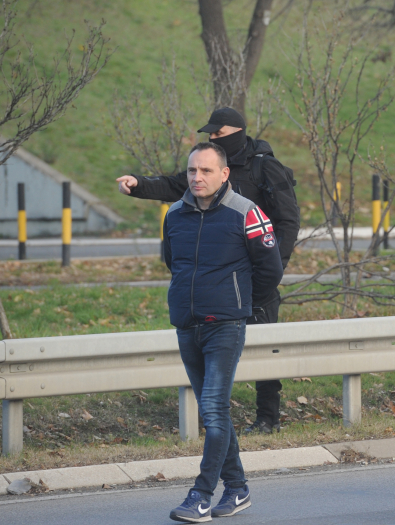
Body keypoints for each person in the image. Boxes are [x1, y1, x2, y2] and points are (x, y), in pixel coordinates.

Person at [117, 107, 299, 435]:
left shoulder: (265, 168)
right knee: (210, 351)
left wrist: (274, 269)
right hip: (216, 284)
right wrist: (138, 185)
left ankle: (267, 418)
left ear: (238, 133)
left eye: (219, 134)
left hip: (258, 279)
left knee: (265, 352)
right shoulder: (206, 170)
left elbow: (288, 219)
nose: (213, 138)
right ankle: (212, 419)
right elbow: (174, 186)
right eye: (210, 135)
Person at [164, 142, 283, 522]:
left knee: (214, 409)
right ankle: (237, 489)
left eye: (206, 171)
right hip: (187, 325)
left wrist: (239, 304)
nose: (197, 177)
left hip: (226, 326)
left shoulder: (246, 213)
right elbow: (172, 262)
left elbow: (270, 268)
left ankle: (200, 495)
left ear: (224, 174)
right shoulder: (175, 214)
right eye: (191, 171)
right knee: (213, 413)